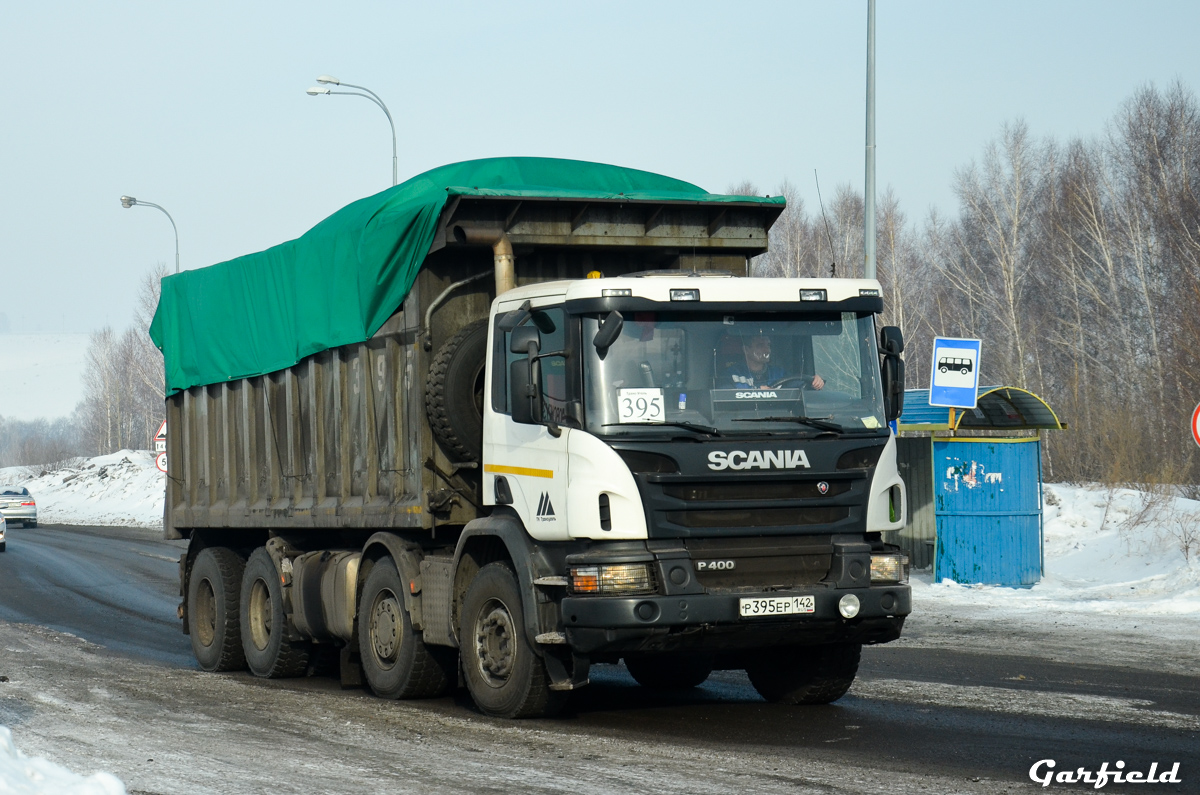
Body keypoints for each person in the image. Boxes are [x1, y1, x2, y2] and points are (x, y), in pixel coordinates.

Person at [723, 334, 824, 390]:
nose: (767, 350)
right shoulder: (731, 374)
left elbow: (798, 384)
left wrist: (814, 381)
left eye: (768, 345)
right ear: (746, 350)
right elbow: (724, 394)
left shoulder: (780, 373)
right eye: (760, 345)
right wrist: (756, 390)